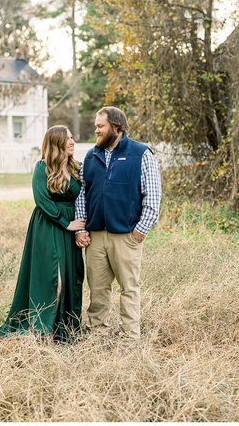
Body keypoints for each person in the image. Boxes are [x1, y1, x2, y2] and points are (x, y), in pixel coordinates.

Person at [74, 106, 161, 341]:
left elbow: (152, 197)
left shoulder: (141, 154)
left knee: (129, 289)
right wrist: (81, 229)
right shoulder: (91, 157)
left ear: (116, 127)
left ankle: (130, 338)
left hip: (126, 236)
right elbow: (83, 195)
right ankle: (96, 334)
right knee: (98, 289)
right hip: (95, 237)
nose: (96, 131)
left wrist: (139, 232)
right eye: (96, 126)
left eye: (100, 126)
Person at [0, 125, 86, 343]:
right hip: (49, 226)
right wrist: (67, 223)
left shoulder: (77, 168)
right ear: (56, 144)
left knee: (70, 275)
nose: (73, 142)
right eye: (68, 139)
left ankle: (62, 329)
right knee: (53, 279)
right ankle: (42, 330)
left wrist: (80, 227)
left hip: (72, 229)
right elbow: (42, 201)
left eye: (73, 138)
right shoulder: (42, 167)